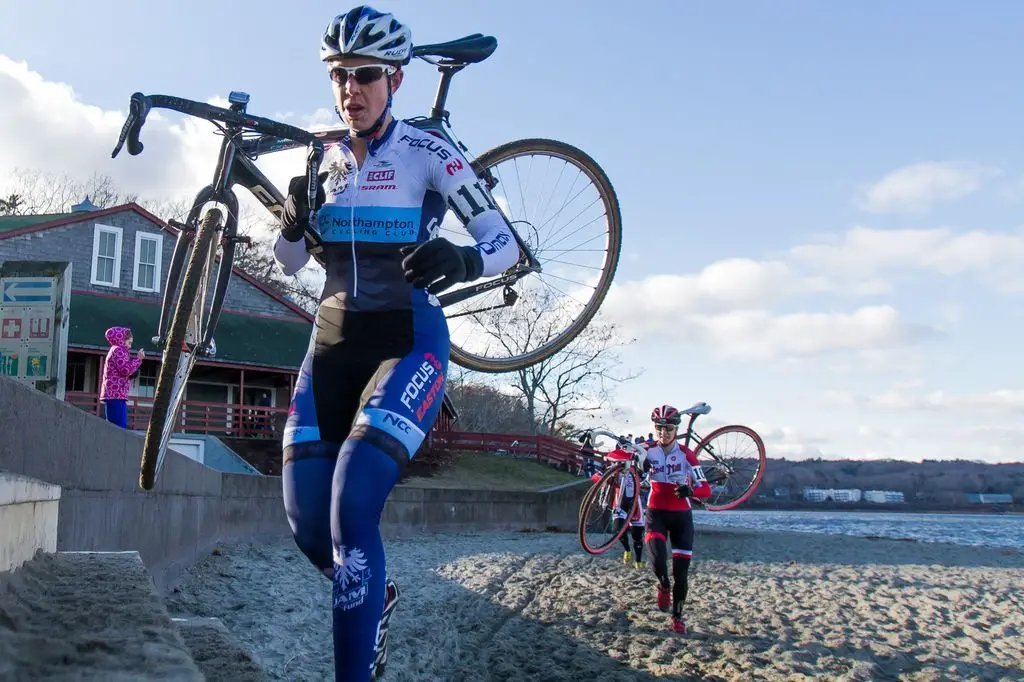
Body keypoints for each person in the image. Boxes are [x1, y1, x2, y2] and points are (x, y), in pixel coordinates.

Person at [272, 7, 519, 681]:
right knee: (304, 521)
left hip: (407, 337)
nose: (351, 89)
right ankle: (374, 597)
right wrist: (294, 223)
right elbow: (290, 262)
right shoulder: (322, 156)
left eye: (366, 76)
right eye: (340, 76)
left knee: (353, 505)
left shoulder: (427, 152)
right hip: (331, 337)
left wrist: (462, 260)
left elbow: (506, 246)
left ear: (396, 81)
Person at [642, 404, 711, 634]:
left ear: (676, 429)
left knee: (681, 574)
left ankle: (678, 617)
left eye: (668, 428)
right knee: (657, 561)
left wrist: (690, 491)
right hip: (656, 512)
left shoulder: (686, 455)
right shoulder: (648, 450)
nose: (664, 433)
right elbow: (619, 456)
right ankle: (663, 585)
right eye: (659, 428)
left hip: (682, 515)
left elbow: (706, 490)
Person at [589, 446, 646, 568]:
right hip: (619, 504)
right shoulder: (611, 470)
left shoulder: (636, 469)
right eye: (616, 462)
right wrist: (605, 480)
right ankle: (627, 550)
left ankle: (639, 560)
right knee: (617, 530)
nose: (619, 464)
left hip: (635, 505)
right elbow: (595, 476)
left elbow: (647, 476)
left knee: (637, 536)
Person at [99, 327, 144, 429]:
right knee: (118, 427)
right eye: (129, 343)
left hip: (117, 393)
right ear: (121, 340)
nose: (130, 346)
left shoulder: (117, 350)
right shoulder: (118, 350)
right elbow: (125, 370)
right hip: (115, 394)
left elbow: (123, 371)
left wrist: (132, 372)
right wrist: (138, 359)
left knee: (119, 425)